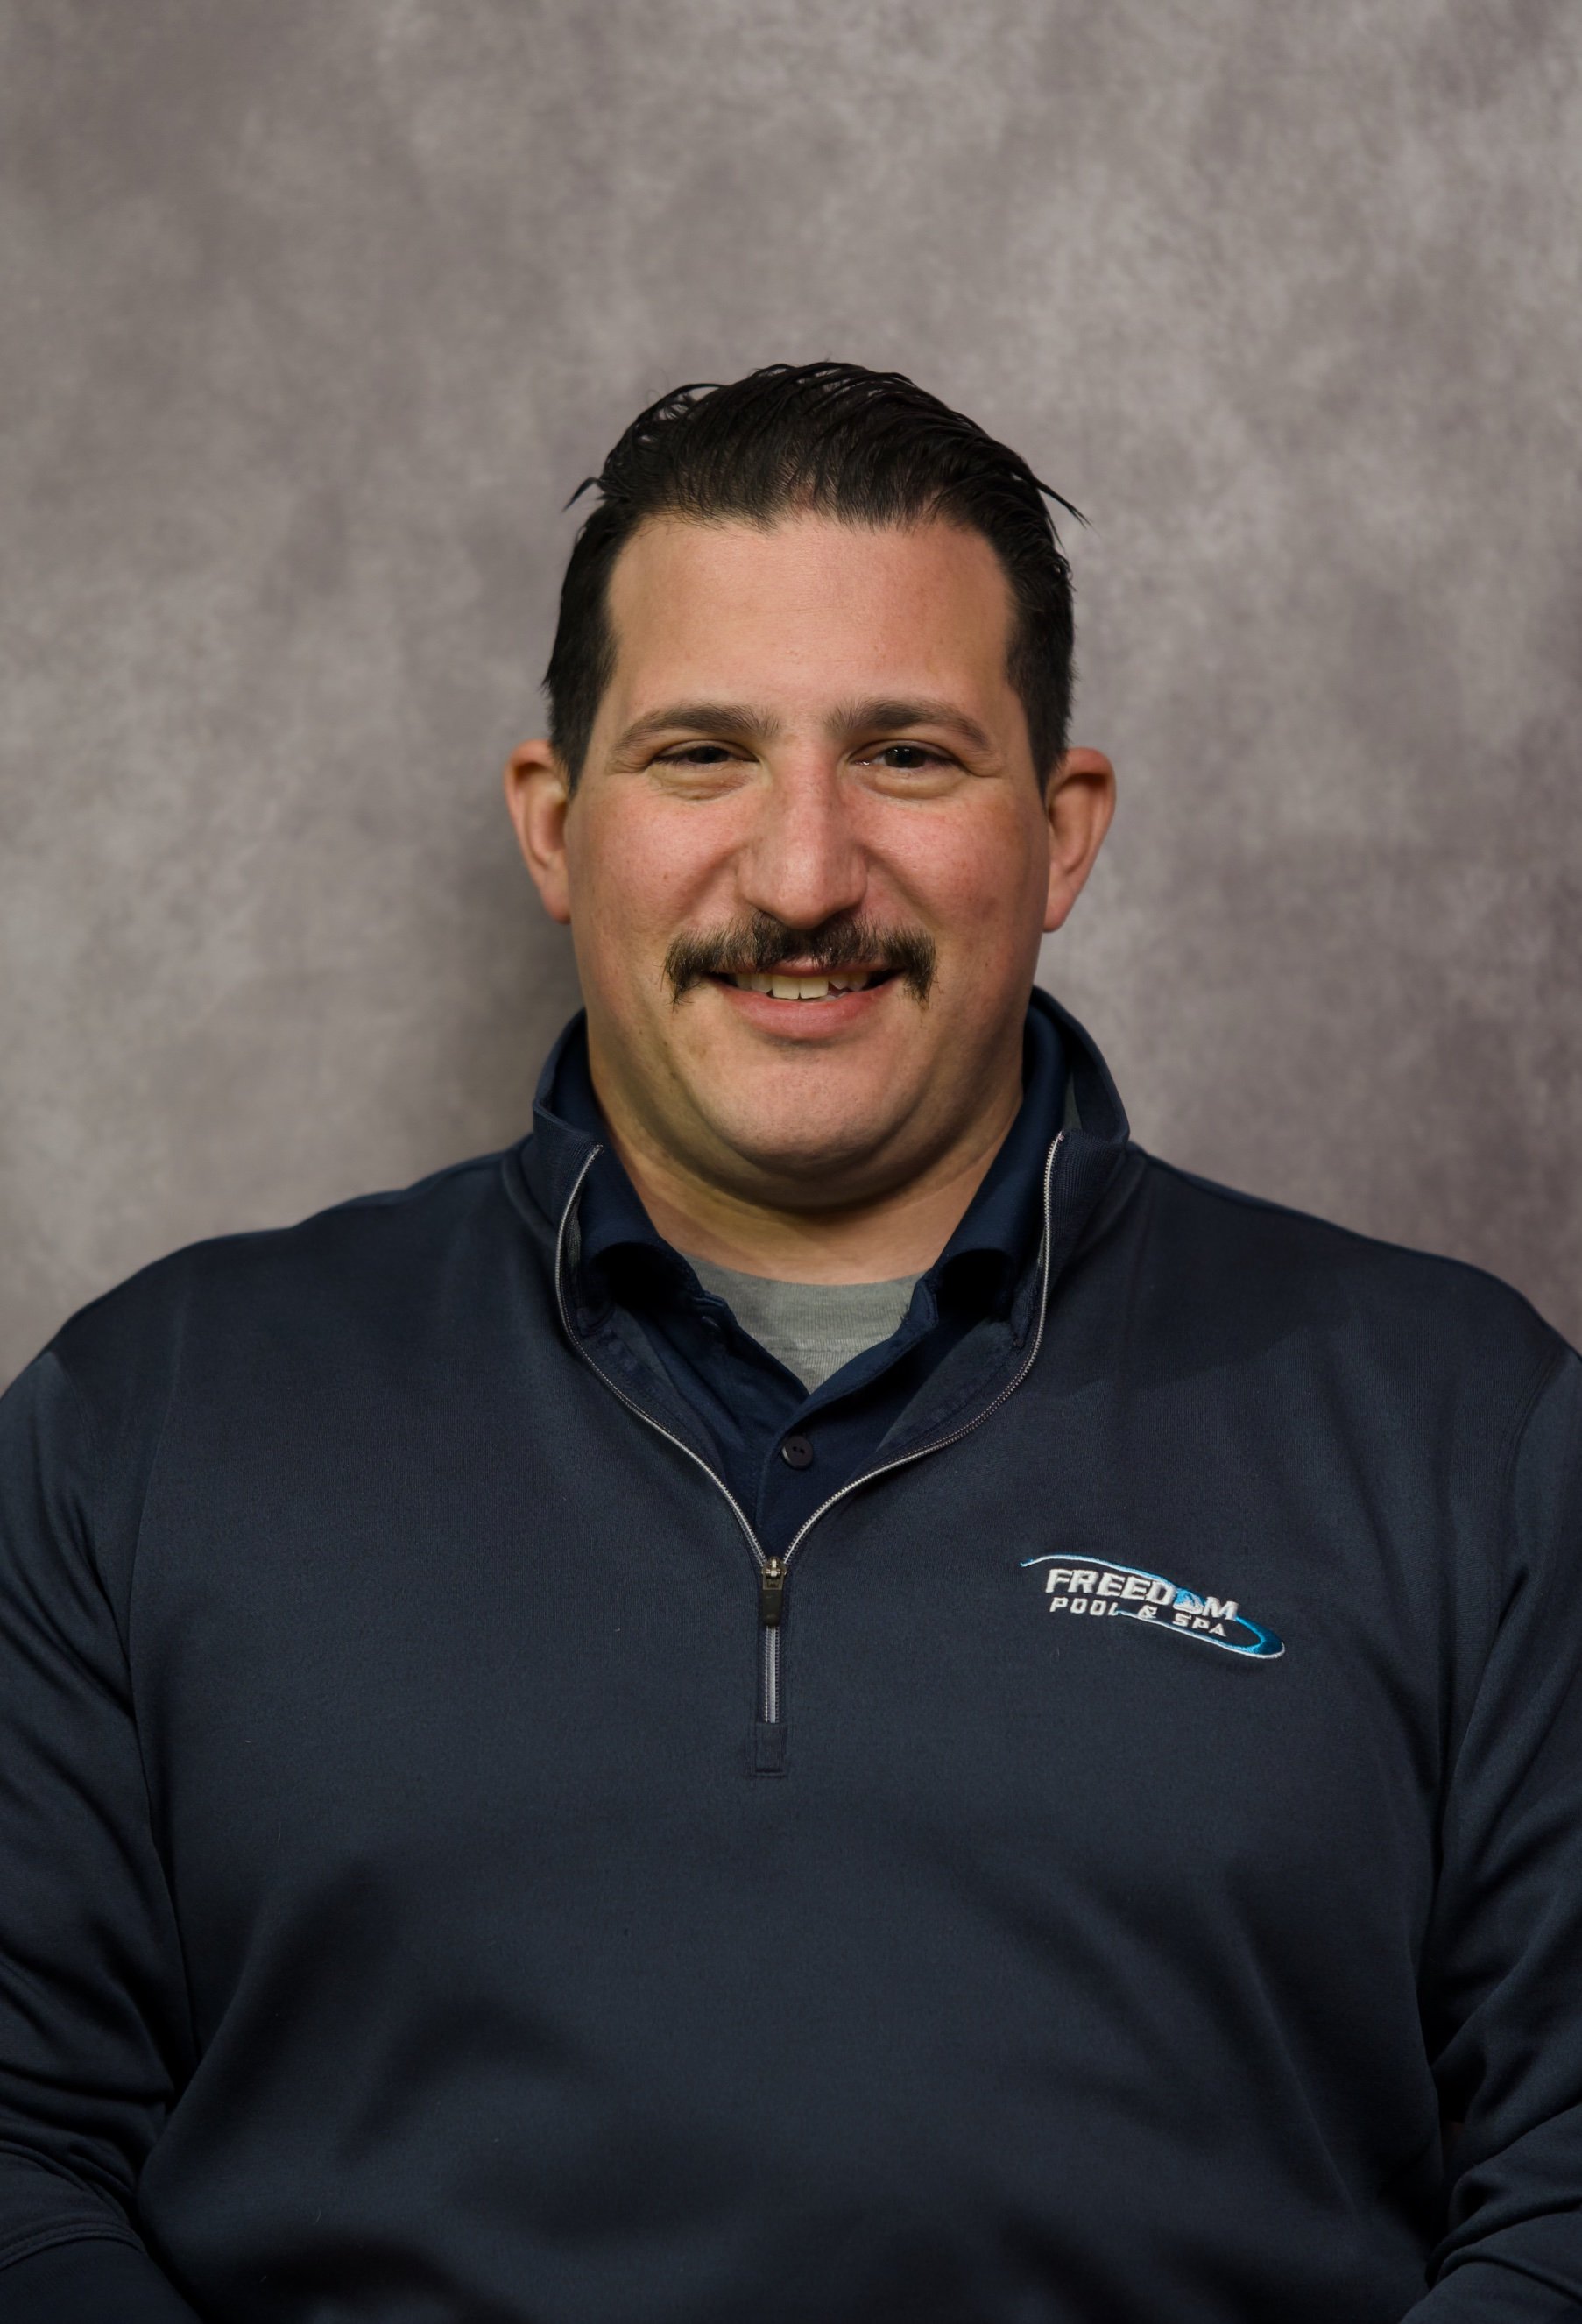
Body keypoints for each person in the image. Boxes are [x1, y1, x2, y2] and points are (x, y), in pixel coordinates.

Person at [1, 362, 1578, 2324]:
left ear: (1062, 831)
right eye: (702, 755)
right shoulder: (149, 1427)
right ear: (555, 826)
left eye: (905, 754)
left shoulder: (1464, 1438)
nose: (805, 874)